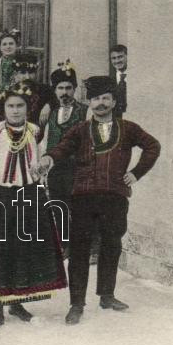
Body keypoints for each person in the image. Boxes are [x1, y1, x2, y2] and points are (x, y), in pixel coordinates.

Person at [39, 76, 160, 325]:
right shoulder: (80, 130)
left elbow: (152, 146)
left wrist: (136, 173)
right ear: (90, 102)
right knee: (79, 249)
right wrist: (49, 158)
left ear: (114, 102)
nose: (101, 103)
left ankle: (107, 296)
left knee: (111, 245)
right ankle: (76, 304)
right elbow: (63, 147)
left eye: (106, 98)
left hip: (115, 197)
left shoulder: (129, 128)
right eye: (96, 99)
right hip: (83, 197)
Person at [0, 81, 68, 334]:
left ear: (28, 108)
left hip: (28, 195)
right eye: (11, 106)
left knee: (22, 250)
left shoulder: (35, 131)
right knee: (0, 251)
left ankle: (16, 303)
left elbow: (42, 158)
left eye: (20, 106)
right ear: (4, 109)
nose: (15, 110)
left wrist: (42, 170)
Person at [42, 60, 88, 257]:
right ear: (55, 91)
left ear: (75, 89)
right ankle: (64, 245)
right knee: (57, 206)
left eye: (68, 88)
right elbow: (46, 141)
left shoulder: (85, 111)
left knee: (79, 208)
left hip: (77, 168)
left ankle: (84, 247)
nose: (65, 93)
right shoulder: (51, 114)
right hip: (55, 169)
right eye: (60, 88)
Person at [109, 44, 128, 117]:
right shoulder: (109, 79)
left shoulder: (137, 76)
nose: (117, 61)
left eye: (120, 57)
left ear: (127, 56)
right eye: (113, 58)